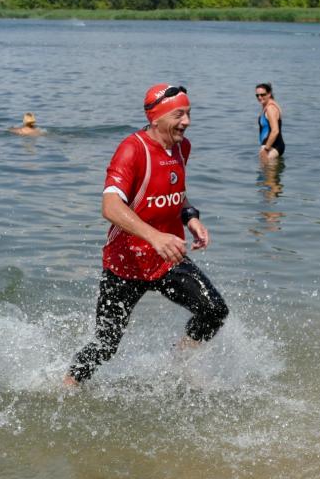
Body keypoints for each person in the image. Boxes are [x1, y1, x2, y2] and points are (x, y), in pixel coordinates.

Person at [63, 84, 229, 386]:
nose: (187, 121)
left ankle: (179, 363)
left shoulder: (181, 148)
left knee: (214, 311)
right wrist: (155, 236)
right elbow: (110, 206)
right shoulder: (133, 149)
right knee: (106, 344)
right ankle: (67, 386)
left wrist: (191, 218)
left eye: (189, 114)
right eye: (179, 115)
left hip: (166, 259)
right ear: (156, 118)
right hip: (125, 264)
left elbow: (175, 193)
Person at [256, 83, 285, 161]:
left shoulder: (270, 109)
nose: (259, 97)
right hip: (272, 145)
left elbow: (275, 131)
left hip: (272, 146)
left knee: (267, 167)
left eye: (262, 95)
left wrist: (266, 149)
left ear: (269, 94)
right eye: (257, 95)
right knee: (267, 168)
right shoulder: (268, 105)